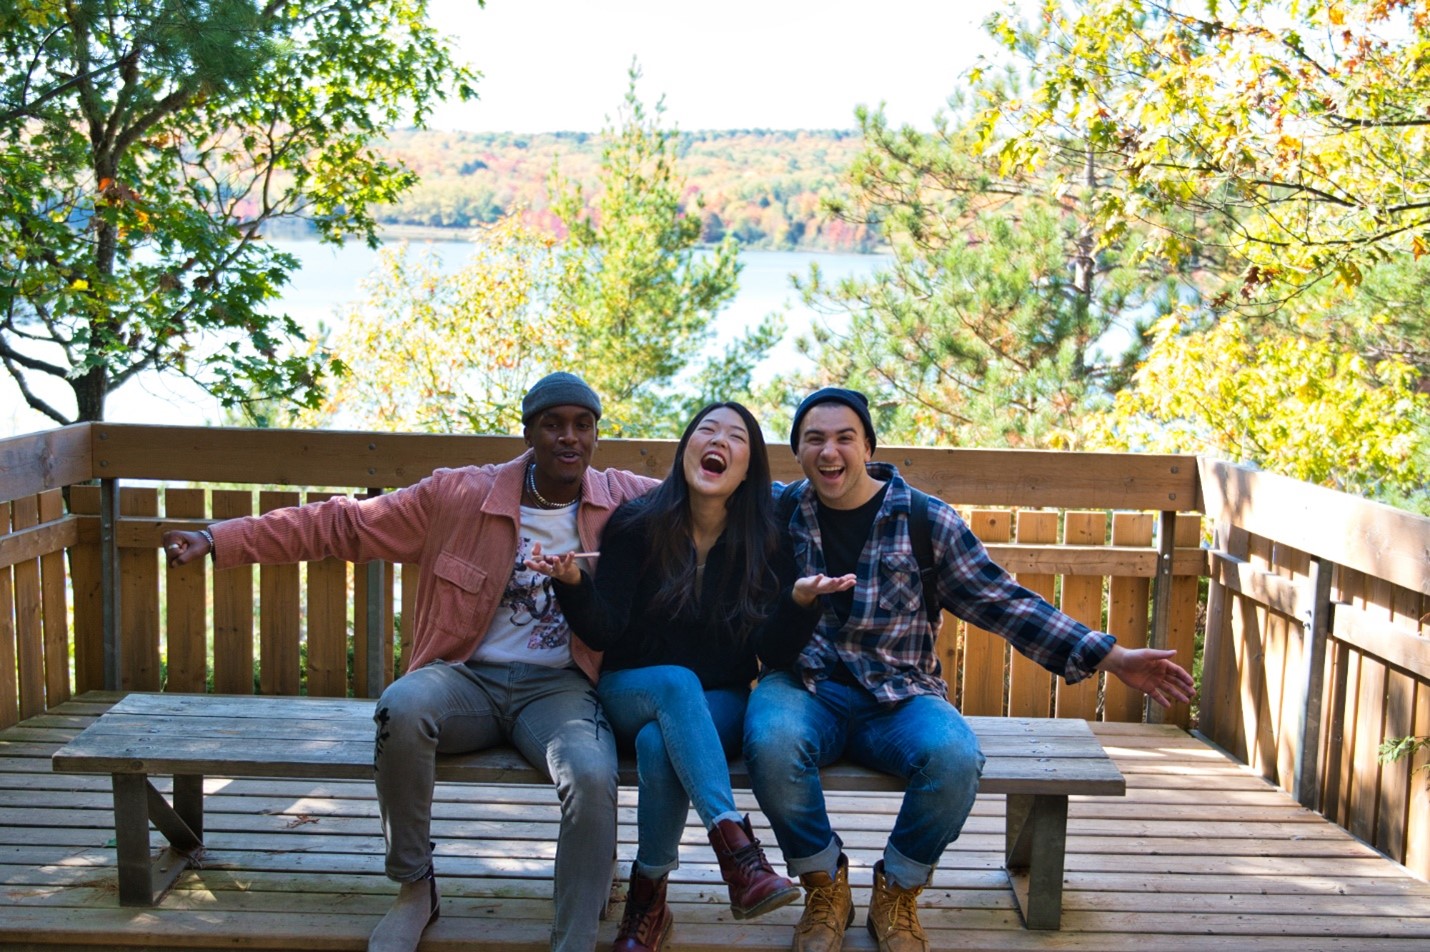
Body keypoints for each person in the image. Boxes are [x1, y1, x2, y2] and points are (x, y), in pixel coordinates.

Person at [161, 372, 659, 952]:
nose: (568, 438)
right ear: (529, 433)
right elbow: (344, 523)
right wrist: (220, 538)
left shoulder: (622, 496)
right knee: (401, 706)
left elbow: (709, 500)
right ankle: (415, 889)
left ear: (597, 434)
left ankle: (573, 939)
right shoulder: (459, 495)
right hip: (464, 678)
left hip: (561, 691)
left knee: (592, 774)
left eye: (582, 424)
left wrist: (786, 499)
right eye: (553, 424)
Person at [745, 387, 1197, 952]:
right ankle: (824, 884)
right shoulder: (778, 513)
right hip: (807, 686)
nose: (829, 452)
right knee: (770, 739)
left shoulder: (924, 519)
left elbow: (1003, 602)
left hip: (900, 692)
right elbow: (696, 500)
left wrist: (1112, 656)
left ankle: (899, 890)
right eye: (814, 439)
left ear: (868, 446)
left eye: (844, 438)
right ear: (798, 451)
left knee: (956, 757)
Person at [527, 402, 853, 952]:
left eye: (736, 437)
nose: (718, 440)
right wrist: (574, 583)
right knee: (673, 684)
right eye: (707, 430)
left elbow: (770, 651)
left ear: (748, 469)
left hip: (720, 699)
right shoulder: (637, 524)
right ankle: (741, 859)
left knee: (661, 744)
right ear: (686, 451)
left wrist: (799, 603)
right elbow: (605, 631)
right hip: (631, 690)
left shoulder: (764, 540)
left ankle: (647, 903)